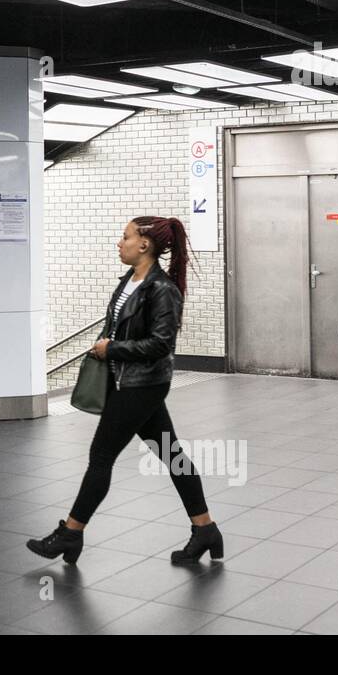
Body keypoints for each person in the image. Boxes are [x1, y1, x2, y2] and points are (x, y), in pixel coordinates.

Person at [27, 215, 222, 566]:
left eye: (126, 236)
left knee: (101, 456)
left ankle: (71, 535)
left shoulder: (162, 289)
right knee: (171, 453)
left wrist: (111, 349)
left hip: (142, 386)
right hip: (128, 381)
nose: (120, 242)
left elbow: (161, 344)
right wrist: (110, 346)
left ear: (144, 244)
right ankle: (205, 529)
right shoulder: (130, 282)